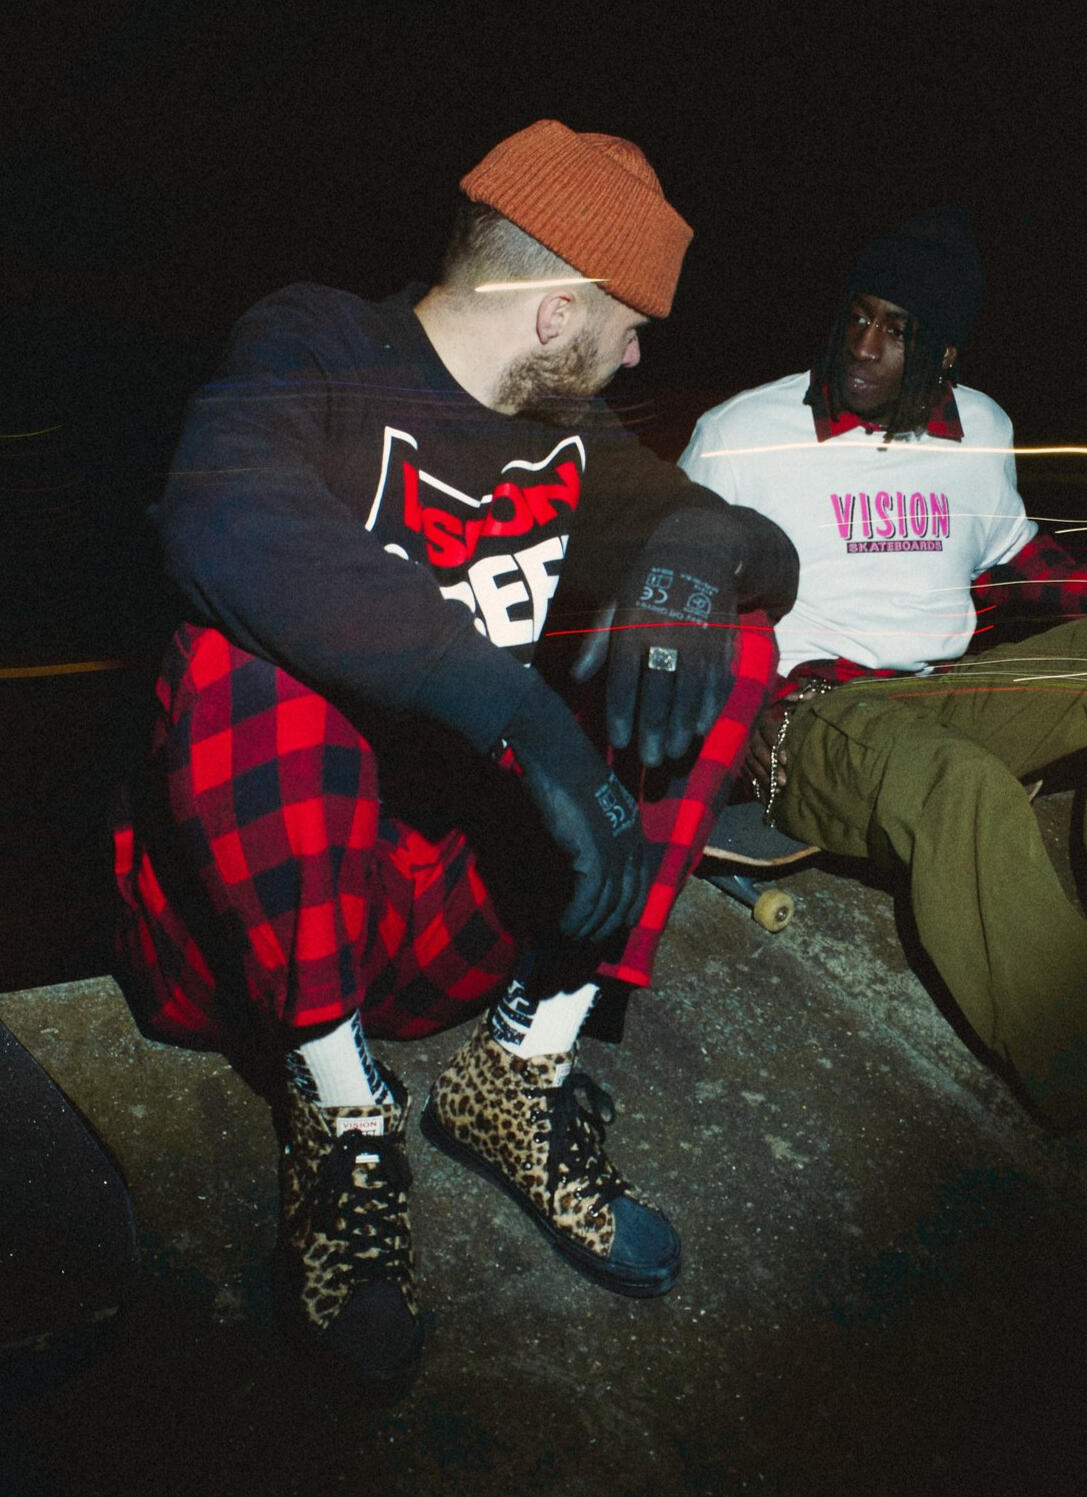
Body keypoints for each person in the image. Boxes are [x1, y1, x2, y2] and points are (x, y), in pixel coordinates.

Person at [111, 120, 797, 1383]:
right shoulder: (317, 344)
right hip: (264, 933)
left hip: (436, 927)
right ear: (554, 313)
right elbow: (219, 512)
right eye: (629, 324)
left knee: (716, 638)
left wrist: (704, 548)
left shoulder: (573, 435)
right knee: (237, 651)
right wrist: (518, 714)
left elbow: (766, 558)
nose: (637, 354)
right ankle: (339, 1115)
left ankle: (518, 1076)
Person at [679, 205, 1087, 1149]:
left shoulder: (982, 430)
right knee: (961, 785)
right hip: (817, 714)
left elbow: (1021, 561)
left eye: (897, 331)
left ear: (945, 355)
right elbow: (671, 599)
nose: (863, 346)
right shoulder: (740, 432)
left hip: (938, 694)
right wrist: (737, 705)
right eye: (858, 315)